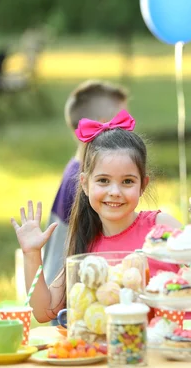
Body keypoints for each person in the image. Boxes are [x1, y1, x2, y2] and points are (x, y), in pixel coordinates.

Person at [11, 110, 191, 322]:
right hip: (115, 353)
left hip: (172, 348)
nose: (114, 191)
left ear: (143, 185)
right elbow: (44, 310)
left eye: (127, 181)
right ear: (85, 184)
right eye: (103, 181)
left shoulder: (161, 229)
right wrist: (32, 253)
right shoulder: (85, 242)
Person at [43, 80, 128, 287]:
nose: (129, 126)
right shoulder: (84, 183)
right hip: (71, 295)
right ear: (104, 123)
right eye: (124, 118)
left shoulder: (77, 169)